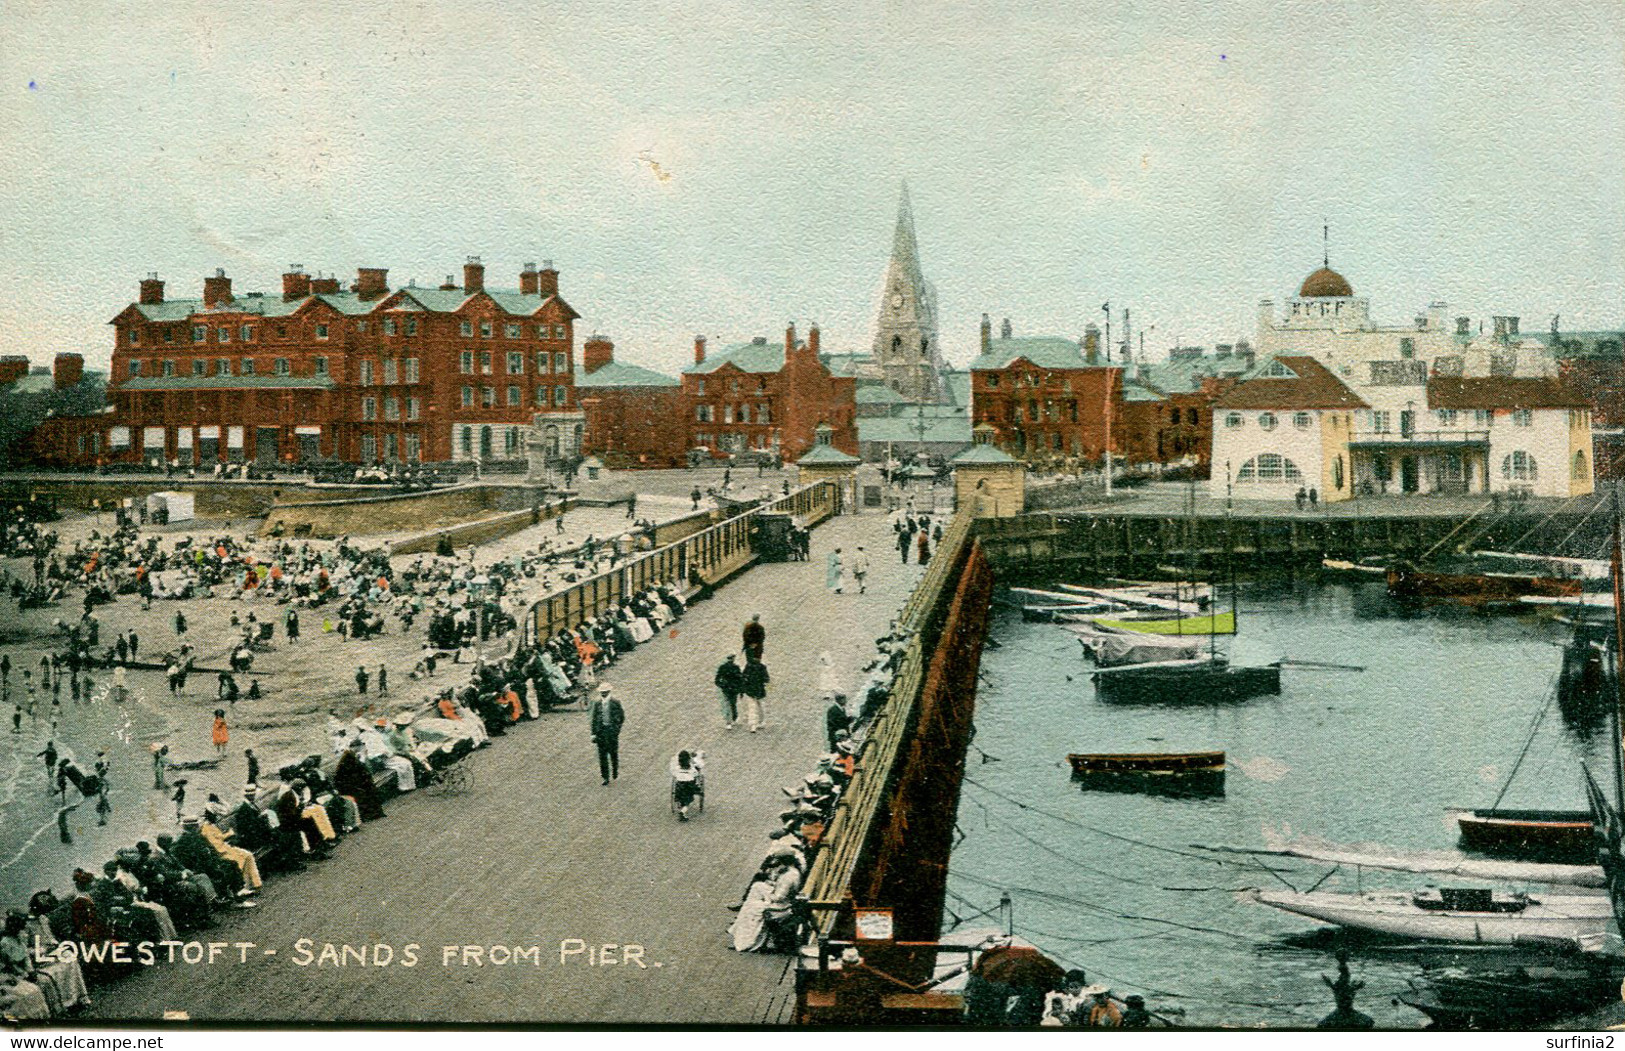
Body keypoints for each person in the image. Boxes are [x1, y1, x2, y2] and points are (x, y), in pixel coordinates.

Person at [589, 684, 625, 785]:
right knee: (602, 755)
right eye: (601, 692)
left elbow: (621, 717)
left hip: (611, 732)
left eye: (605, 692)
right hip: (601, 732)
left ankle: (614, 771)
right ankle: (605, 777)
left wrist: (616, 730)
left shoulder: (615, 702)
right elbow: (594, 719)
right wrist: (593, 733)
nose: (603, 694)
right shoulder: (597, 703)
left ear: (609, 692)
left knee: (613, 753)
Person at [669, 748, 704, 821]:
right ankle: (682, 812)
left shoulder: (677, 768)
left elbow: (674, 774)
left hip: (679, 786)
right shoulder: (691, 769)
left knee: (682, 799)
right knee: (687, 801)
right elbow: (696, 774)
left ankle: (681, 807)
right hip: (689, 786)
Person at [740, 656, 770, 733]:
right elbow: (766, 679)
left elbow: (743, 677)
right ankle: (761, 722)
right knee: (761, 707)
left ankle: (753, 725)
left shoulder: (748, 666)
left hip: (750, 691)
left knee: (752, 707)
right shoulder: (762, 667)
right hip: (760, 691)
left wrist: (744, 688)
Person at [714, 653, 743, 730]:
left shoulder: (722, 667)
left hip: (726, 689)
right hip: (734, 689)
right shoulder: (736, 668)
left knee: (727, 704)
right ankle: (734, 718)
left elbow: (717, 679)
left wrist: (722, 685)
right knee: (733, 704)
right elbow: (740, 679)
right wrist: (741, 690)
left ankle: (729, 721)